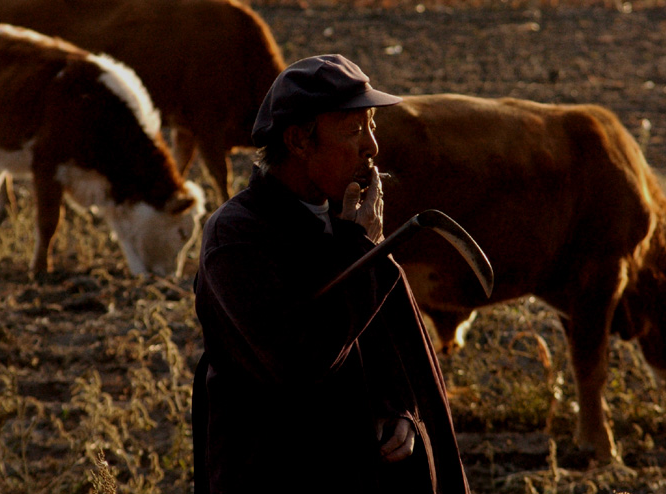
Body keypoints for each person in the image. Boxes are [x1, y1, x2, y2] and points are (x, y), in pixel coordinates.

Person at [192, 54, 470, 494]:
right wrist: (361, 252)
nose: (372, 147)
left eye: (372, 126)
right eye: (353, 130)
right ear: (299, 140)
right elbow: (298, 362)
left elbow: (391, 346)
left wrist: (400, 409)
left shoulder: (346, 220)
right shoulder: (238, 236)